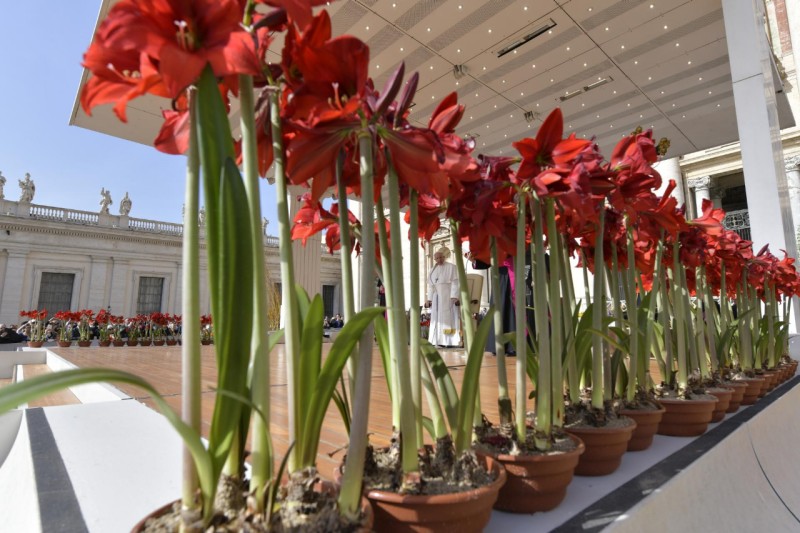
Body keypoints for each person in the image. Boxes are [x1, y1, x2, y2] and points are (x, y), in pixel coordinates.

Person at [425, 247, 461, 348]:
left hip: (448, 295)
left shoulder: (451, 267)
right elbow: (431, 286)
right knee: (437, 318)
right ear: (434, 259)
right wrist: (429, 299)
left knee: (449, 318)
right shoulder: (432, 270)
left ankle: (450, 341)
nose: (439, 260)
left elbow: (455, 282)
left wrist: (454, 296)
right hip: (436, 297)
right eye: (437, 258)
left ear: (444, 257)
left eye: (441, 257)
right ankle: (438, 340)